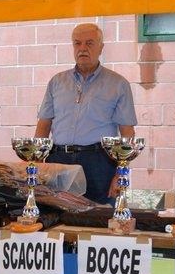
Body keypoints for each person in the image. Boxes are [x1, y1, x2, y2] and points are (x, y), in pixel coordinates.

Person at [34, 23, 137, 205]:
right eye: (77, 43)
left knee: (99, 217)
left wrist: (121, 173)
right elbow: (43, 126)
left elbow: (127, 133)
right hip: (58, 161)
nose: (82, 48)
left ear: (101, 47)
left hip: (99, 163)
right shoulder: (56, 82)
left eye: (89, 43)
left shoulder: (118, 84)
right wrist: (35, 165)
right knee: (53, 216)